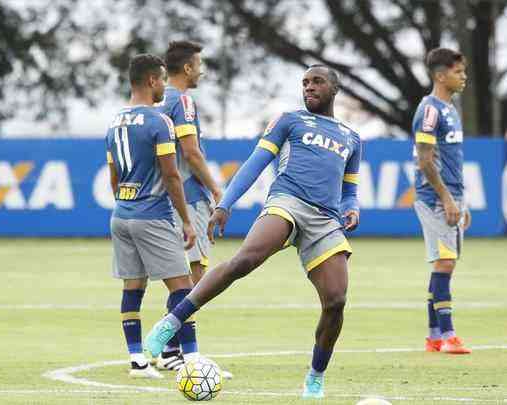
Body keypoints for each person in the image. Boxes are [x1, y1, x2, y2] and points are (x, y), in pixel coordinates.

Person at [145, 65, 362, 399]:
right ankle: (173, 321)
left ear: (334, 88)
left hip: (326, 219)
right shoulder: (289, 120)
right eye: (304, 83)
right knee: (245, 260)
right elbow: (256, 162)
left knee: (336, 301)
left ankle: (315, 377)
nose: (309, 87)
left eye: (317, 82)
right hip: (287, 201)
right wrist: (225, 203)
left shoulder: (351, 137)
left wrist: (352, 206)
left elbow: (349, 189)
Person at [105, 54, 198, 379]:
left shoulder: (115, 121)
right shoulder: (160, 122)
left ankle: (137, 361)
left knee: (134, 286)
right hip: (152, 215)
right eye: (160, 80)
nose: (163, 85)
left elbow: (113, 176)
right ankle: (193, 361)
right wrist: (186, 220)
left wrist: (125, 201)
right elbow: (172, 176)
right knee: (184, 287)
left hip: (122, 214)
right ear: (150, 81)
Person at [152, 40, 224, 371]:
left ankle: (170, 350)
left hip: (163, 200)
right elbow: (191, 152)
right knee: (192, 280)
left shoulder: (155, 102)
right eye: (198, 64)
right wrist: (216, 189)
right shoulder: (182, 101)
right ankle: (181, 353)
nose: (202, 70)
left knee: (183, 276)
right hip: (190, 197)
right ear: (187, 69)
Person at [412, 47, 471, 355]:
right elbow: (424, 161)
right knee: (445, 261)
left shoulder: (450, 109)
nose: (464, 77)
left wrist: (463, 201)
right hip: (433, 197)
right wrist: (447, 198)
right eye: (459, 72)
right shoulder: (430, 110)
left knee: (444, 263)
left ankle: (435, 335)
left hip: (452, 196)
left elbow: (451, 160)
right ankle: (448, 335)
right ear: (440, 75)